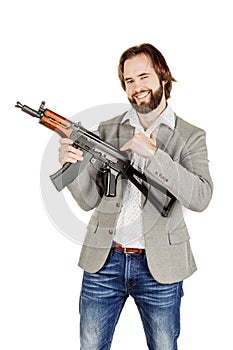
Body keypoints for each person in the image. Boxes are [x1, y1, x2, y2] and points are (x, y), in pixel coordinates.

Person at [58, 43, 213, 350]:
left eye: (144, 76)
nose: (137, 87)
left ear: (163, 77)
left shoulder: (191, 135)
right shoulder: (108, 128)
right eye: (130, 81)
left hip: (161, 266)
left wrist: (155, 155)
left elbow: (201, 197)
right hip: (105, 261)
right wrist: (71, 166)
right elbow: (89, 200)